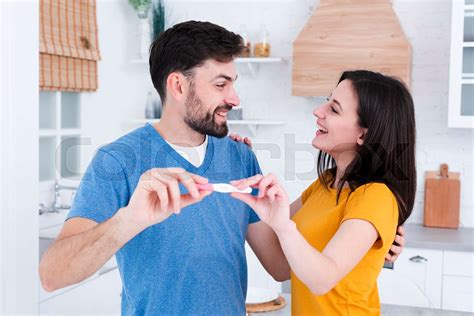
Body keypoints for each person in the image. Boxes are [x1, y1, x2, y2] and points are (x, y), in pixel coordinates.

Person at [39, 20, 404, 315]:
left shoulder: (239, 158)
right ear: (178, 86)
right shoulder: (118, 161)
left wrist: (371, 242)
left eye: (234, 84)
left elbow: (279, 266)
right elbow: (52, 274)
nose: (234, 98)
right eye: (220, 84)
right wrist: (130, 219)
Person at [231, 70, 415, 315]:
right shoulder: (326, 184)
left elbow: (322, 279)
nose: (318, 111)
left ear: (363, 134)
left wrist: (285, 226)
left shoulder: (376, 197)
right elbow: (279, 265)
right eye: (327, 101)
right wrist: (241, 178)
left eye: (334, 109)